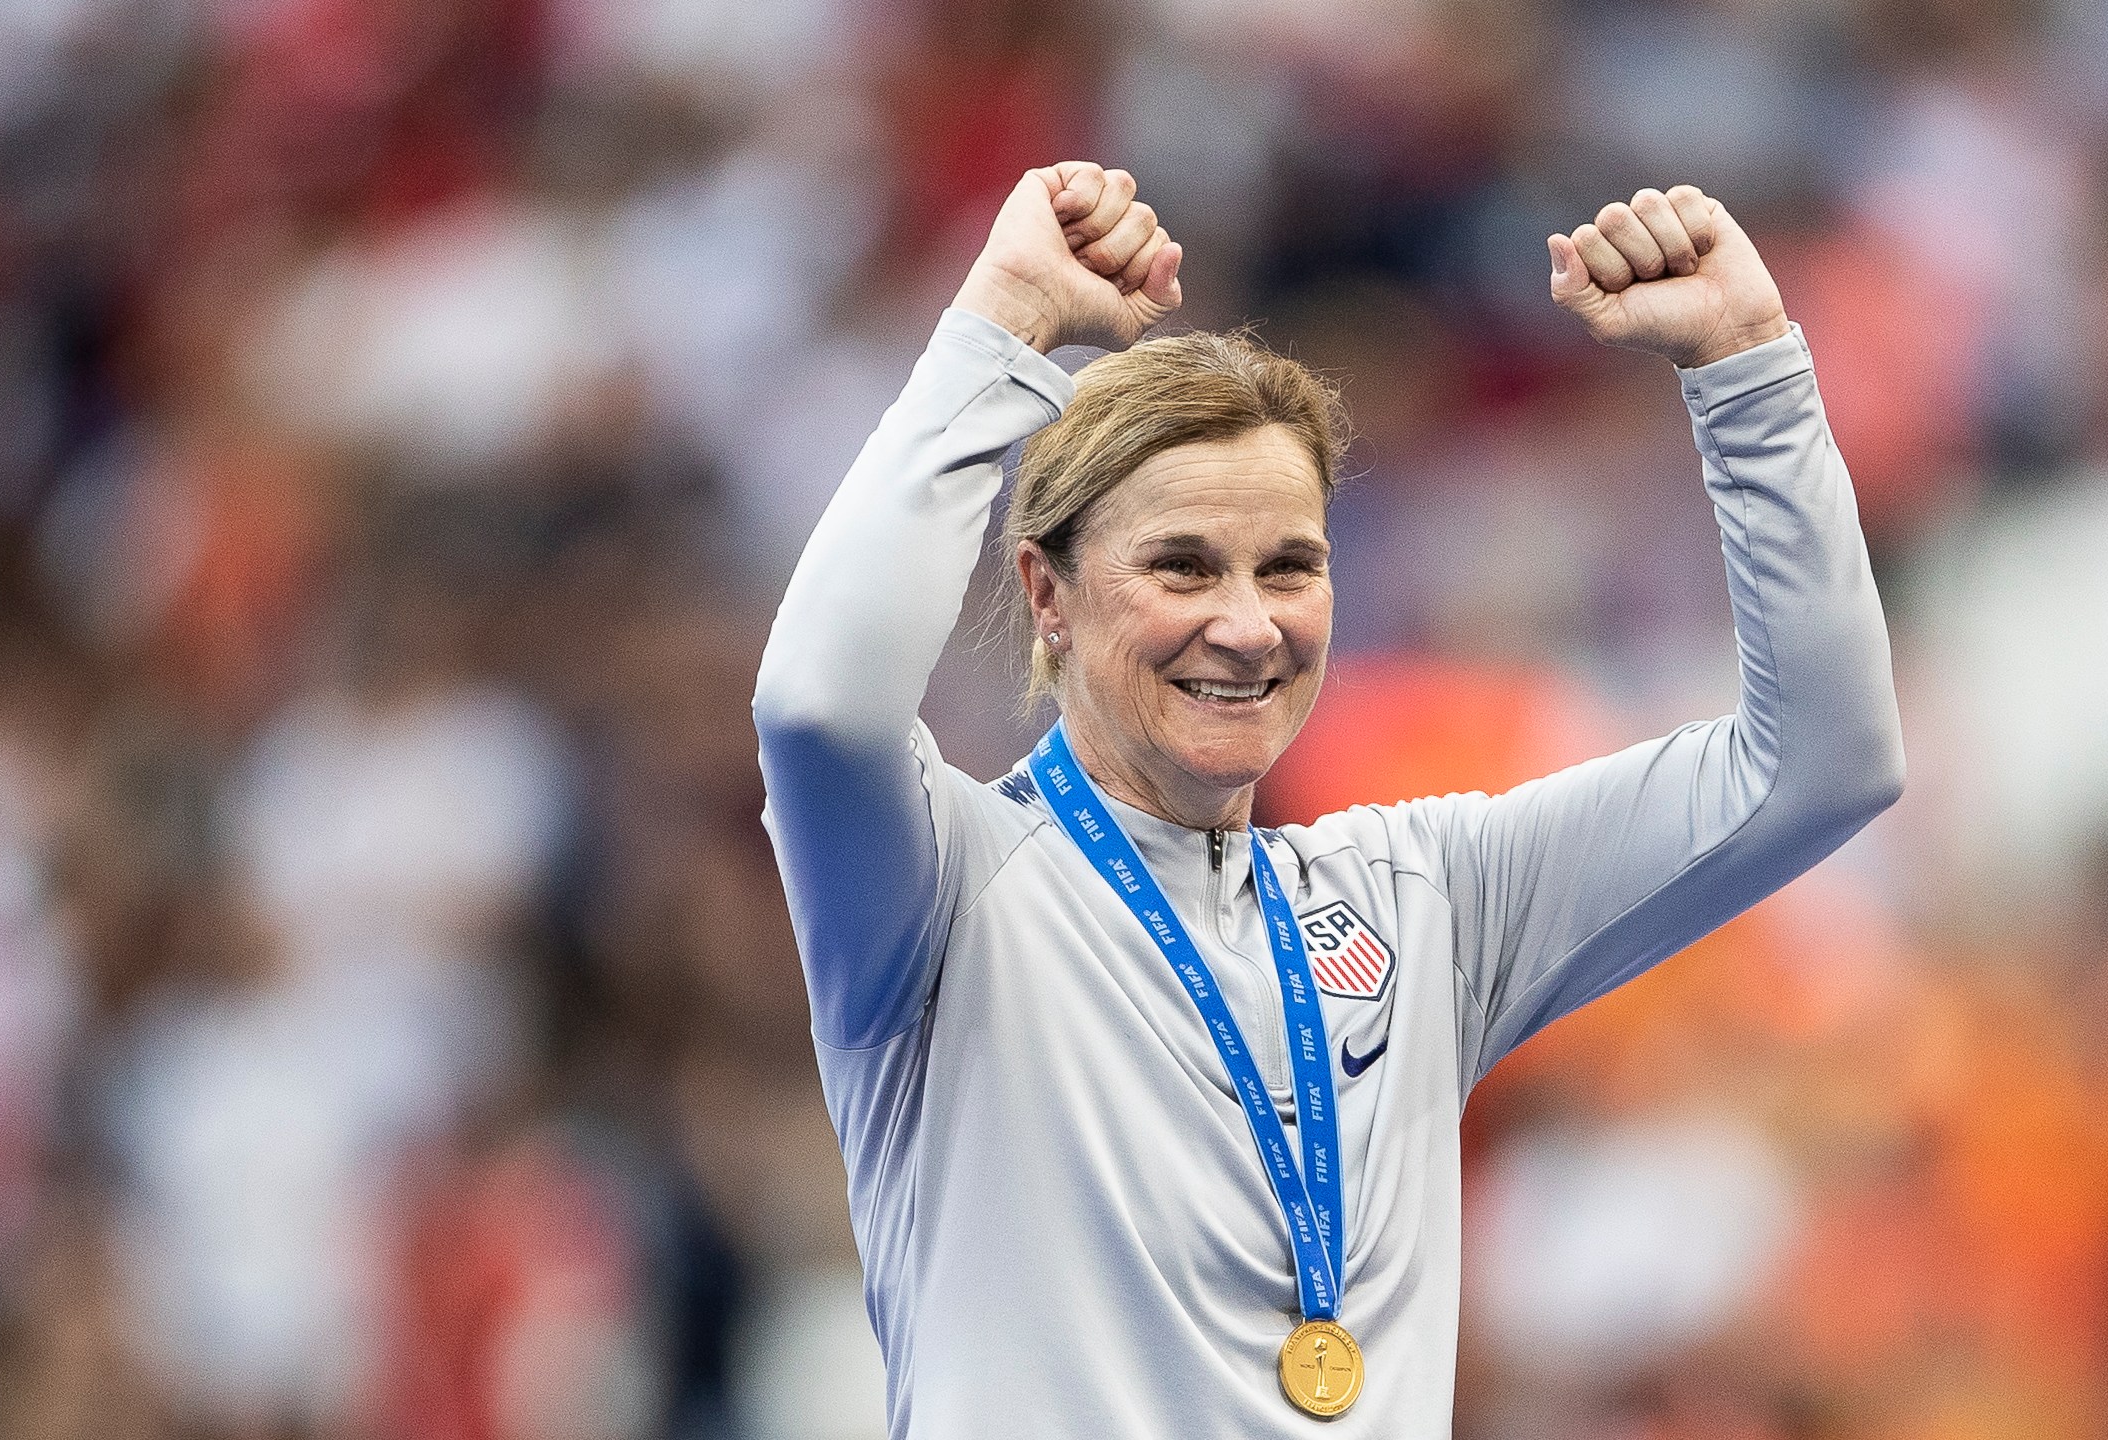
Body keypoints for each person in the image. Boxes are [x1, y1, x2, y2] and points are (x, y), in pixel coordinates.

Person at [753, 160, 1902, 1438]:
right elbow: (819, 703)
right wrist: (1001, 329)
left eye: (1288, 567)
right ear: (1046, 595)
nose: (1245, 627)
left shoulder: (1425, 900)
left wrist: (1748, 371)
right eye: (1181, 566)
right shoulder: (945, 891)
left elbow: (1820, 761)